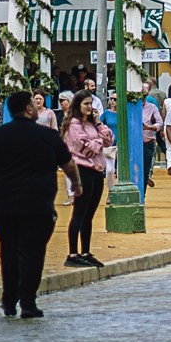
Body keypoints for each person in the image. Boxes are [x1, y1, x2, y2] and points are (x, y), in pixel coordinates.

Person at [0, 89, 82, 318]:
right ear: (29, 109)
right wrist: (76, 185)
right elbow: (69, 164)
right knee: (32, 253)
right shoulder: (47, 136)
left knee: (8, 251)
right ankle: (28, 303)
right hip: (38, 204)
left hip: (4, 204)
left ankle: (9, 299)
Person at [64, 92, 114, 265]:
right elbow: (84, 148)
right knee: (79, 212)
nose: (89, 107)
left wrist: (99, 124)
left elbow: (109, 140)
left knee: (89, 214)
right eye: (85, 103)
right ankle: (72, 254)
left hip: (96, 170)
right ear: (78, 105)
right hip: (82, 170)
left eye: (90, 103)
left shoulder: (92, 124)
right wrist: (98, 142)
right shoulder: (74, 124)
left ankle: (85, 251)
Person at [138, 90, 163, 193]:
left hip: (148, 142)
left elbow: (159, 123)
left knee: (145, 170)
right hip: (134, 144)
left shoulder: (152, 107)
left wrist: (150, 127)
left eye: (143, 97)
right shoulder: (130, 107)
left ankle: (142, 194)